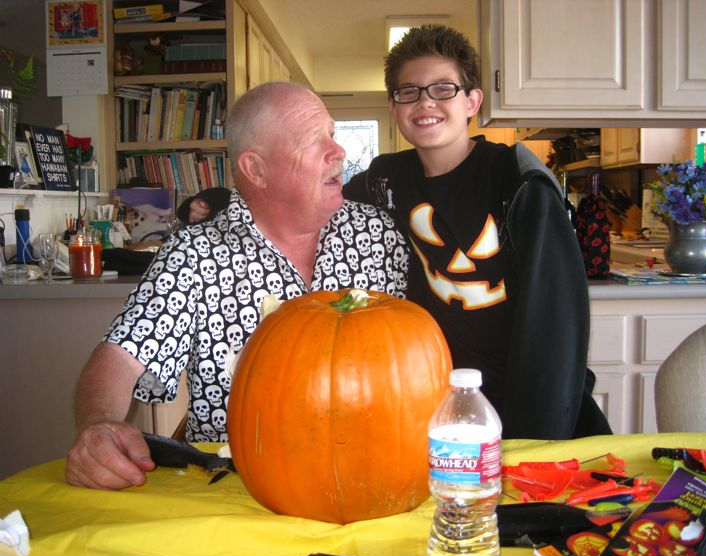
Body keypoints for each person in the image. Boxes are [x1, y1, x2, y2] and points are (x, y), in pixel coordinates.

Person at [184, 26, 611, 440]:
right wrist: (229, 199)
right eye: (409, 91)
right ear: (393, 106)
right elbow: (308, 198)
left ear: (472, 101)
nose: (425, 103)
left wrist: (538, 441)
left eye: (443, 88)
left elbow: (557, 330)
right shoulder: (385, 181)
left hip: (532, 408)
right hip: (439, 407)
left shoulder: (518, 184)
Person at [65, 82, 410, 490]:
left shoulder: (377, 234)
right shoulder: (194, 252)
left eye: (332, 135)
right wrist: (100, 426)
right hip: (236, 487)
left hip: (367, 472)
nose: (339, 153)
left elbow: (412, 356)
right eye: (314, 141)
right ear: (256, 169)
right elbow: (121, 356)